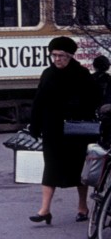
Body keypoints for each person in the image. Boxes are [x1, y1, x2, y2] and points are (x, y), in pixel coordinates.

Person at [28, 36, 101, 224]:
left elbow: (94, 99)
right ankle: (44, 210)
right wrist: (35, 126)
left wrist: (76, 105)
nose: (57, 59)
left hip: (76, 130)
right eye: (54, 55)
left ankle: (82, 207)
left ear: (70, 56)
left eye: (61, 56)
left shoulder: (82, 74)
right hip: (52, 129)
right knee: (50, 167)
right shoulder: (47, 74)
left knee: (78, 169)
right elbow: (38, 101)